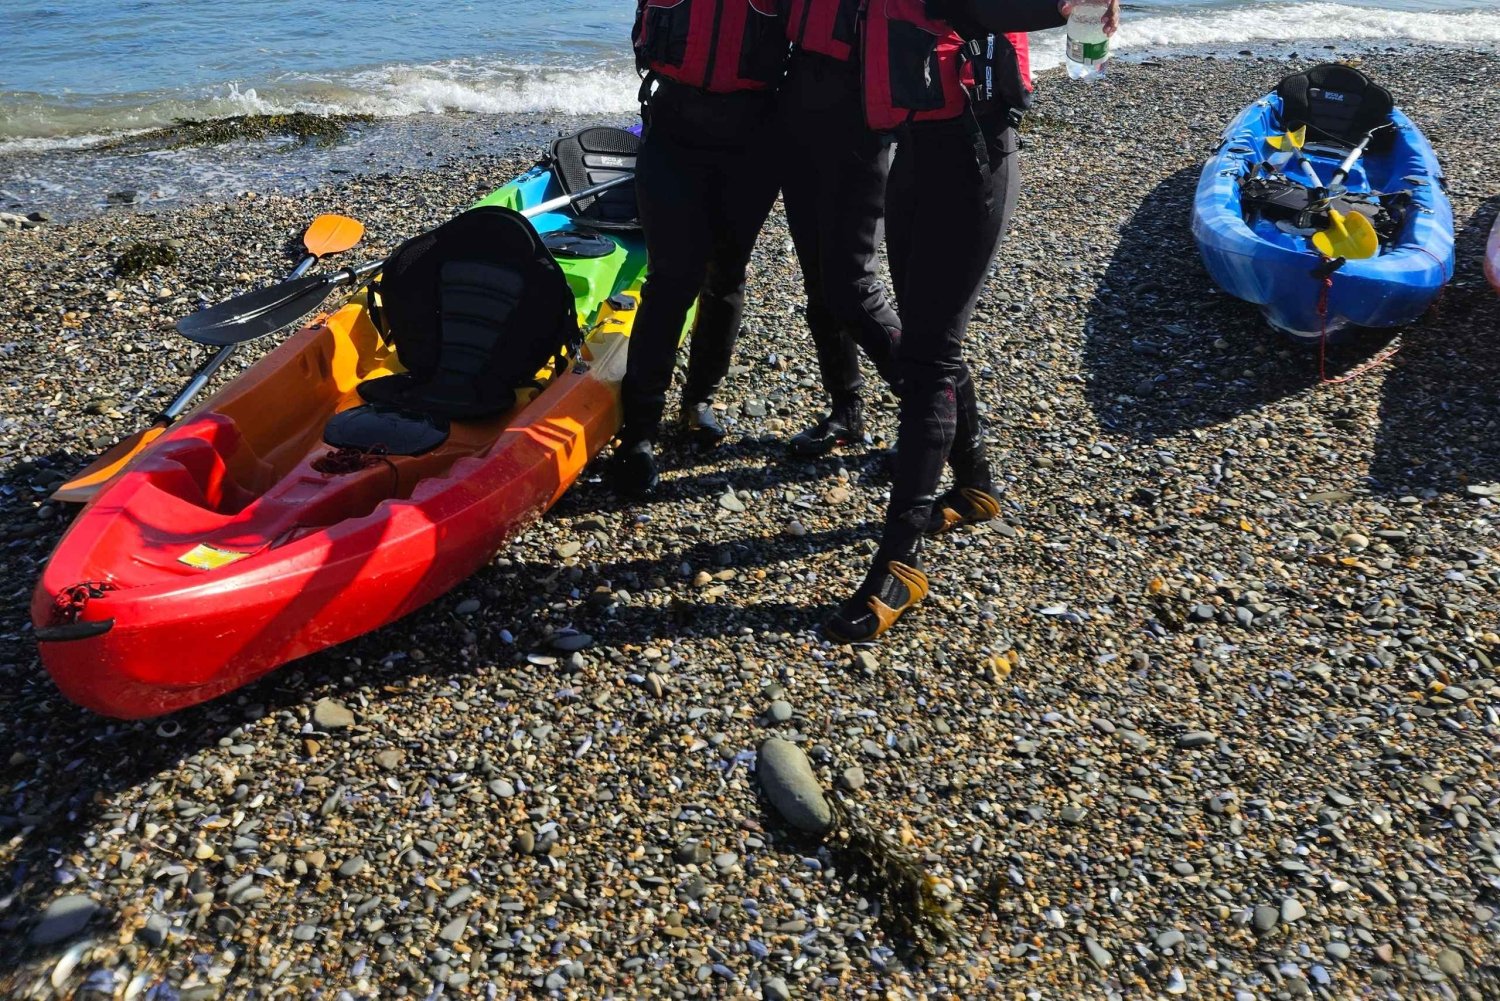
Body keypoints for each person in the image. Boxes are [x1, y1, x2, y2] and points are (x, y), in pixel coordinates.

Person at [824, 0, 1119, 642]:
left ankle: (899, 564)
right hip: (915, 151)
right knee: (933, 341)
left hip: (973, 161)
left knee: (929, 356)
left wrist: (1071, 6)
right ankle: (977, 485)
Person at [614, 0, 791, 496]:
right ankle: (639, 430)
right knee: (672, 279)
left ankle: (698, 401)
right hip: (673, 127)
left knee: (727, 273)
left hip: (754, 135)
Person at [779, 0, 903, 456]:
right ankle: (846, 410)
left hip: (863, 112)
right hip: (800, 99)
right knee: (818, 280)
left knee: (852, 286)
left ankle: (934, 420)